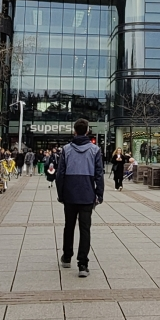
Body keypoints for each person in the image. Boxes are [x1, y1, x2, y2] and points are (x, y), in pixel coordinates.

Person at [54, 119, 104, 277]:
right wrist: (99, 194)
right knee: (85, 229)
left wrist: (61, 194)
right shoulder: (95, 150)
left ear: (74, 131)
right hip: (87, 194)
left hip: (70, 194)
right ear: (87, 131)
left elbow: (60, 174)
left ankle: (67, 256)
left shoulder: (66, 149)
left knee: (69, 226)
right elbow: (99, 174)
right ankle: (83, 264)